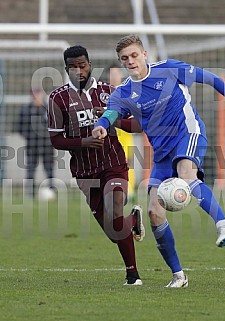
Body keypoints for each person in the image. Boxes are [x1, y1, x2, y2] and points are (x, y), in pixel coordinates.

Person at [92, 34, 225, 288]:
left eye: (134, 55)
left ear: (144, 54)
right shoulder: (124, 92)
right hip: (162, 153)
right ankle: (178, 276)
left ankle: (223, 224)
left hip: (188, 132)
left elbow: (210, 78)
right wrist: (101, 126)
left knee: (186, 172)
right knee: (154, 213)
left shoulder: (168, 69)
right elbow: (111, 112)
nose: (130, 61)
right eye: (124, 58)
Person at [47, 45, 145, 286]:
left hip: (114, 164)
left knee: (114, 211)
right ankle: (133, 221)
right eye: (73, 67)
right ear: (66, 68)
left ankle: (132, 275)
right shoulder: (57, 98)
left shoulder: (109, 92)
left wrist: (115, 119)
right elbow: (56, 139)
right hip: (85, 172)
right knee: (114, 231)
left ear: (90, 64)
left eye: (83, 65)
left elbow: (138, 125)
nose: (79, 71)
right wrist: (83, 142)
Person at [107, 62, 137, 202]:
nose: (114, 76)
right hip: (109, 132)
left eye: (116, 73)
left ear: (121, 74)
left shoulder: (126, 91)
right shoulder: (105, 92)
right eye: (111, 73)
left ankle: (129, 190)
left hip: (124, 132)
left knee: (126, 161)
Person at [17, 88, 55, 198]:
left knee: (49, 169)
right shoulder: (26, 110)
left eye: (39, 95)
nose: (37, 97)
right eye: (35, 95)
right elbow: (20, 127)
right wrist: (29, 137)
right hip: (32, 145)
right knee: (30, 169)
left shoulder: (48, 109)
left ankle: (52, 191)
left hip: (47, 145)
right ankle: (30, 194)